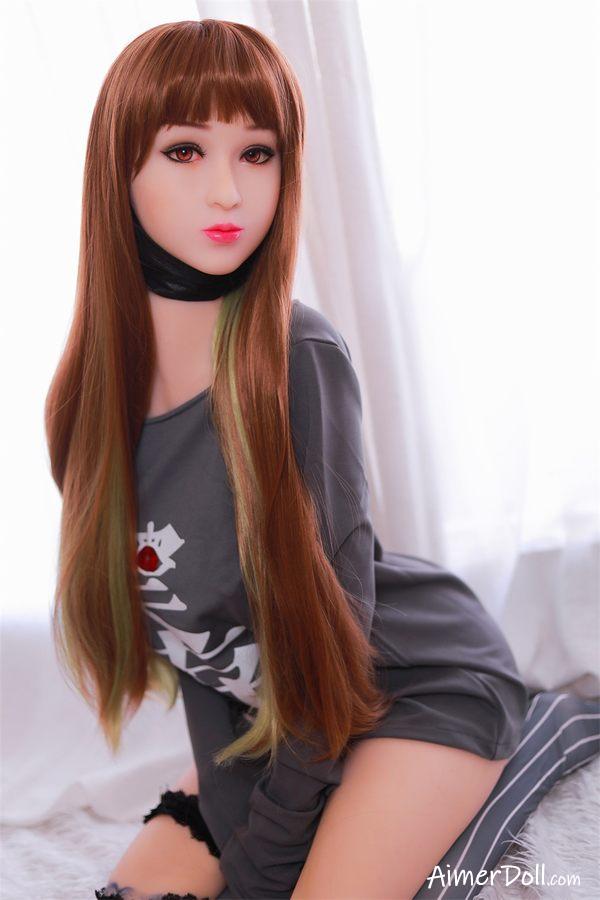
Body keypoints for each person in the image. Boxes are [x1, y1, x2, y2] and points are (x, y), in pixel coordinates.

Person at [43, 19, 600, 900]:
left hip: (409, 682)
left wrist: (264, 862)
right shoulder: (87, 401)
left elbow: (326, 649)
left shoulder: (295, 361)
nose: (227, 190)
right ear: (121, 170)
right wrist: (241, 817)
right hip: (275, 716)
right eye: (185, 151)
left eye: (257, 153)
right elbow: (195, 652)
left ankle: (533, 726)